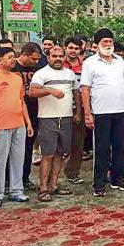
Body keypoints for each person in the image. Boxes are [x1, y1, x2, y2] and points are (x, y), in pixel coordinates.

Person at [80, 28, 124, 197]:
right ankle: (99, 183)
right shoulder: (90, 63)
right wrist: (88, 114)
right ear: (97, 45)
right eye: (104, 42)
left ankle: (118, 179)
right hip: (101, 113)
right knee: (102, 149)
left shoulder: (119, 61)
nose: (108, 44)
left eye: (110, 41)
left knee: (120, 147)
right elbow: (85, 89)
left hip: (121, 111)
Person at [0, 47, 34, 208]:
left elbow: (22, 102)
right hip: (0, 126)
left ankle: (16, 191)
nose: (13, 59)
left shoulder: (17, 78)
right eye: (10, 57)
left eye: (14, 56)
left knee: (18, 159)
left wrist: (28, 123)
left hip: (19, 125)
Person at [28, 46, 81, 202]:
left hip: (66, 118)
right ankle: (43, 188)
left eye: (60, 56)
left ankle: (54, 185)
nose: (58, 58)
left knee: (60, 154)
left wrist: (78, 112)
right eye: (54, 56)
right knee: (47, 155)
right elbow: (32, 92)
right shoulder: (41, 73)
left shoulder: (70, 73)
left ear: (64, 57)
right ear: (48, 57)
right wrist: (50, 91)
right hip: (47, 118)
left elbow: (76, 93)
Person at [12, 42, 43, 191]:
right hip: (14, 113)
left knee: (28, 148)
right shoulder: (12, 68)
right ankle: (9, 180)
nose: (36, 62)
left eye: (38, 59)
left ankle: (25, 178)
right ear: (23, 54)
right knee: (12, 149)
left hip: (33, 112)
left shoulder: (38, 69)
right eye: (33, 59)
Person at [62, 37, 86, 184]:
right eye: (70, 47)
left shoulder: (85, 65)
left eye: (76, 48)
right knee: (60, 144)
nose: (73, 51)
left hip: (80, 108)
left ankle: (73, 173)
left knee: (78, 143)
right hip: (60, 108)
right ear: (65, 48)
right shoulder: (58, 63)